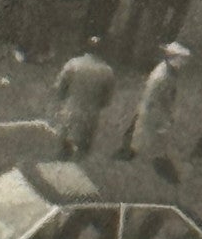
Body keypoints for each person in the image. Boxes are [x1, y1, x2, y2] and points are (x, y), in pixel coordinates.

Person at [118, 41, 189, 184]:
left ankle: (125, 154)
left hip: (153, 111)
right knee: (155, 148)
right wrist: (164, 118)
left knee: (141, 139)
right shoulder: (161, 77)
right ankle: (171, 177)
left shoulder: (167, 71)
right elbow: (155, 99)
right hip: (154, 113)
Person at [53, 40, 115, 158]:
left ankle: (62, 161)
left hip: (71, 110)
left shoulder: (73, 64)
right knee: (83, 148)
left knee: (64, 145)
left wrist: (62, 97)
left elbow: (60, 86)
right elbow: (106, 99)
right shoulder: (107, 71)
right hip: (91, 115)